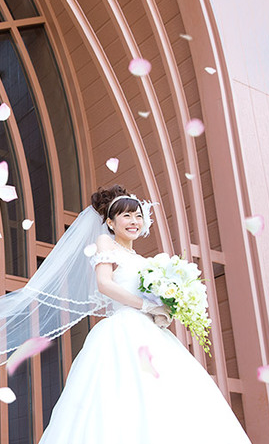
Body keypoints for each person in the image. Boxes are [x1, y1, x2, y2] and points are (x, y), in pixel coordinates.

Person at [37, 185, 252, 443]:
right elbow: (104, 283)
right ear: (110, 222)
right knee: (125, 393)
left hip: (149, 329)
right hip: (124, 328)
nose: (134, 221)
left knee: (165, 395)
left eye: (138, 215)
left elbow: (149, 297)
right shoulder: (106, 243)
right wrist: (146, 306)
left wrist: (164, 309)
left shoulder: (142, 260)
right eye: (126, 215)